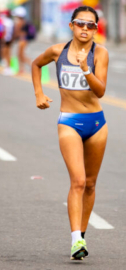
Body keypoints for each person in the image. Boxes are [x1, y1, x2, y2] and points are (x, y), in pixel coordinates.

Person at [31, 6, 109, 260]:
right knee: (77, 180)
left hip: (97, 123)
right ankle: (75, 239)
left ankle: (82, 236)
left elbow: (100, 92)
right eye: (80, 24)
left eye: (90, 25)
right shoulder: (58, 51)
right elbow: (35, 64)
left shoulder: (101, 54)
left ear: (95, 29)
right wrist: (39, 93)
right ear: (71, 26)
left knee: (90, 183)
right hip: (69, 122)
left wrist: (86, 69)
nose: (85, 29)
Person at [11, 6, 31, 75]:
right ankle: (21, 69)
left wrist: (13, 38)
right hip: (23, 40)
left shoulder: (20, 22)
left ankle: (32, 65)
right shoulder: (24, 21)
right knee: (20, 55)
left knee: (21, 55)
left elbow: (17, 32)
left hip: (22, 40)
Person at [0, 9, 14, 75]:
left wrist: (3, 38)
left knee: (5, 54)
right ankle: (8, 68)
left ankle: (8, 68)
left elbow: (5, 31)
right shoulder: (10, 21)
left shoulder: (6, 21)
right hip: (9, 39)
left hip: (6, 39)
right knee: (7, 54)